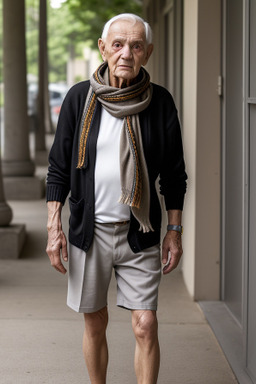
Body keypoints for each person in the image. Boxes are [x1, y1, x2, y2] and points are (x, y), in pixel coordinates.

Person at [46, 13, 187, 384]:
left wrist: (174, 230)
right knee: (95, 321)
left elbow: (174, 176)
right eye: (119, 44)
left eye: (136, 45)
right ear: (103, 48)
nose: (126, 53)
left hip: (138, 233)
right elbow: (59, 169)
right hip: (88, 233)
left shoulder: (160, 103)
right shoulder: (80, 98)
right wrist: (53, 228)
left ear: (148, 52)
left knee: (146, 324)